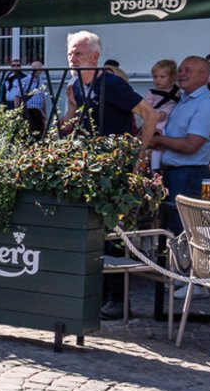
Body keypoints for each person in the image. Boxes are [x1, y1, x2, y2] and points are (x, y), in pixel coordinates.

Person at [62, 31, 158, 321]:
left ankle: (118, 300)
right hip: (91, 169)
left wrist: (138, 154)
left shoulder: (111, 84)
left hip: (116, 171)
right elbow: (71, 123)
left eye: (78, 53)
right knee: (93, 234)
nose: (72, 58)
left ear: (94, 56)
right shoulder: (76, 86)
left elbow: (149, 115)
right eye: (70, 53)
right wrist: (69, 115)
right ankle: (98, 297)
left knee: (114, 235)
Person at [149, 56, 210, 241]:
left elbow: (191, 145)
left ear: (203, 75)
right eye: (180, 70)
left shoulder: (206, 104)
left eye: (187, 70)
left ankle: (183, 262)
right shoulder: (182, 100)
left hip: (189, 175)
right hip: (172, 172)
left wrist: (159, 139)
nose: (181, 74)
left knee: (184, 234)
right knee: (169, 232)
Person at [146, 59, 182, 172]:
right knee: (158, 145)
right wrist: (155, 114)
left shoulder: (177, 91)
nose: (158, 80)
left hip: (172, 122)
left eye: (162, 77)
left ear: (172, 77)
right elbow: (146, 110)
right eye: (155, 77)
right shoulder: (152, 93)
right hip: (158, 123)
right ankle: (155, 167)